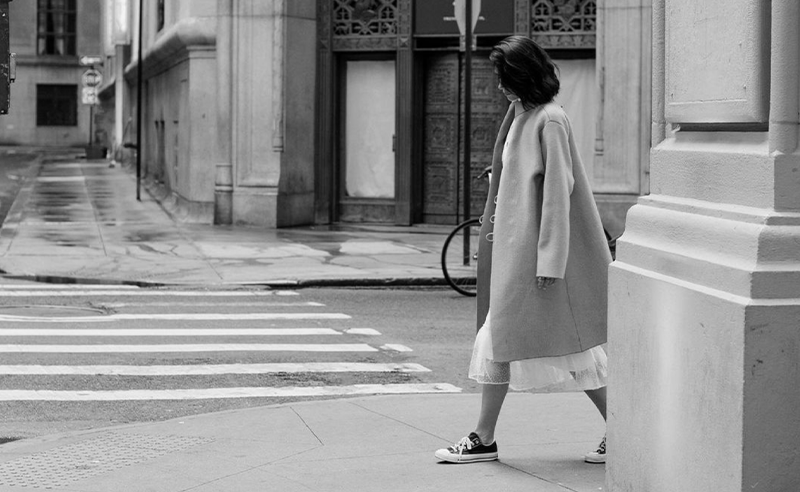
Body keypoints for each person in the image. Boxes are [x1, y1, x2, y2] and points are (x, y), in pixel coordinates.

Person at [434, 35, 611, 465]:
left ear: (524, 76)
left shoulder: (549, 119)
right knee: (546, 343)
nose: (499, 86)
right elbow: (519, 180)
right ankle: (485, 437)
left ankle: (484, 438)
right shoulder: (522, 116)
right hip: (518, 253)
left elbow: (557, 193)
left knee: (518, 340)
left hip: (537, 259)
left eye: (504, 77)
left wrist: (551, 260)